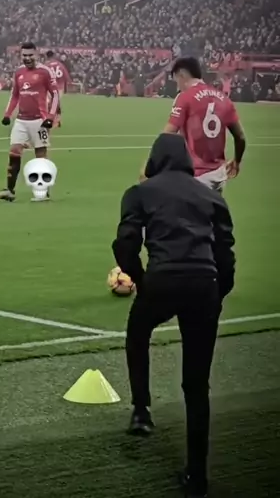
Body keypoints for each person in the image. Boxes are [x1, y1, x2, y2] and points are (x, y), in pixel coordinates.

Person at [113, 133, 236, 498]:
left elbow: (125, 244)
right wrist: (216, 294)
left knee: (138, 332)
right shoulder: (211, 196)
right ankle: (197, 476)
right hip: (204, 284)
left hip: (163, 280)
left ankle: (141, 410)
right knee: (197, 385)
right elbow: (225, 253)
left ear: (154, 160)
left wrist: (140, 279)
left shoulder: (140, 192)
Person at [152, 57, 247, 192]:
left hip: (196, 175)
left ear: (182, 75)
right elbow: (240, 137)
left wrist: (150, 166)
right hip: (219, 175)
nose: (177, 86)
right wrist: (237, 161)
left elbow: (167, 135)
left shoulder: (185, 97)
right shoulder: (224, 98)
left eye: (176, 81)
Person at [0, 42, 60, 203]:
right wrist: (7, 114)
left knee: (40, 156)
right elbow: (15, 95)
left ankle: (43, 192)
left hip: (40, 121)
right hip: (21, 120)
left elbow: (55, 95)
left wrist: (50, 117)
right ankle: (9, 190)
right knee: (14, 152)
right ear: (21, 55)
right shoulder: (19, 72)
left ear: (36, 55)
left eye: (30, 55)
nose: (27, 58)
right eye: (24, 55)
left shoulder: (45, 72)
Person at [45, 50, 70, 128]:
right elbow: (66, 77)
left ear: (47, 56)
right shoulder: (60, 65)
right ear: (54, 56)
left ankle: (49, 120)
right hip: (60, 88)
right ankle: (57, 120)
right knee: (56, 104)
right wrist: (66, 87)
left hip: (50, 88)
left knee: (49, 104)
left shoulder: (47, 65)